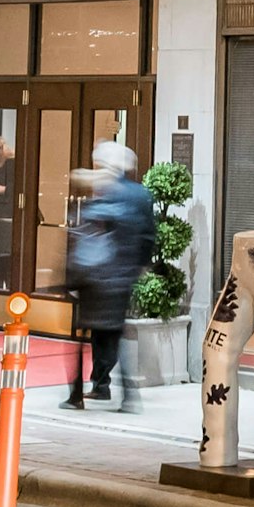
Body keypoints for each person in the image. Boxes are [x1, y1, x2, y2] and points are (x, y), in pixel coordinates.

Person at [63, 146, 151, 409]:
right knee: (114, 333)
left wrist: (73, 276)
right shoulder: (140, 194)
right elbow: (148, 237)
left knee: (84, 335)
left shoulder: (106, 194)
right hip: (122, 277)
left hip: (97, 276)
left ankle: (81, 391)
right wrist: (138, 268)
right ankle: (122, 393)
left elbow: (86, 236)